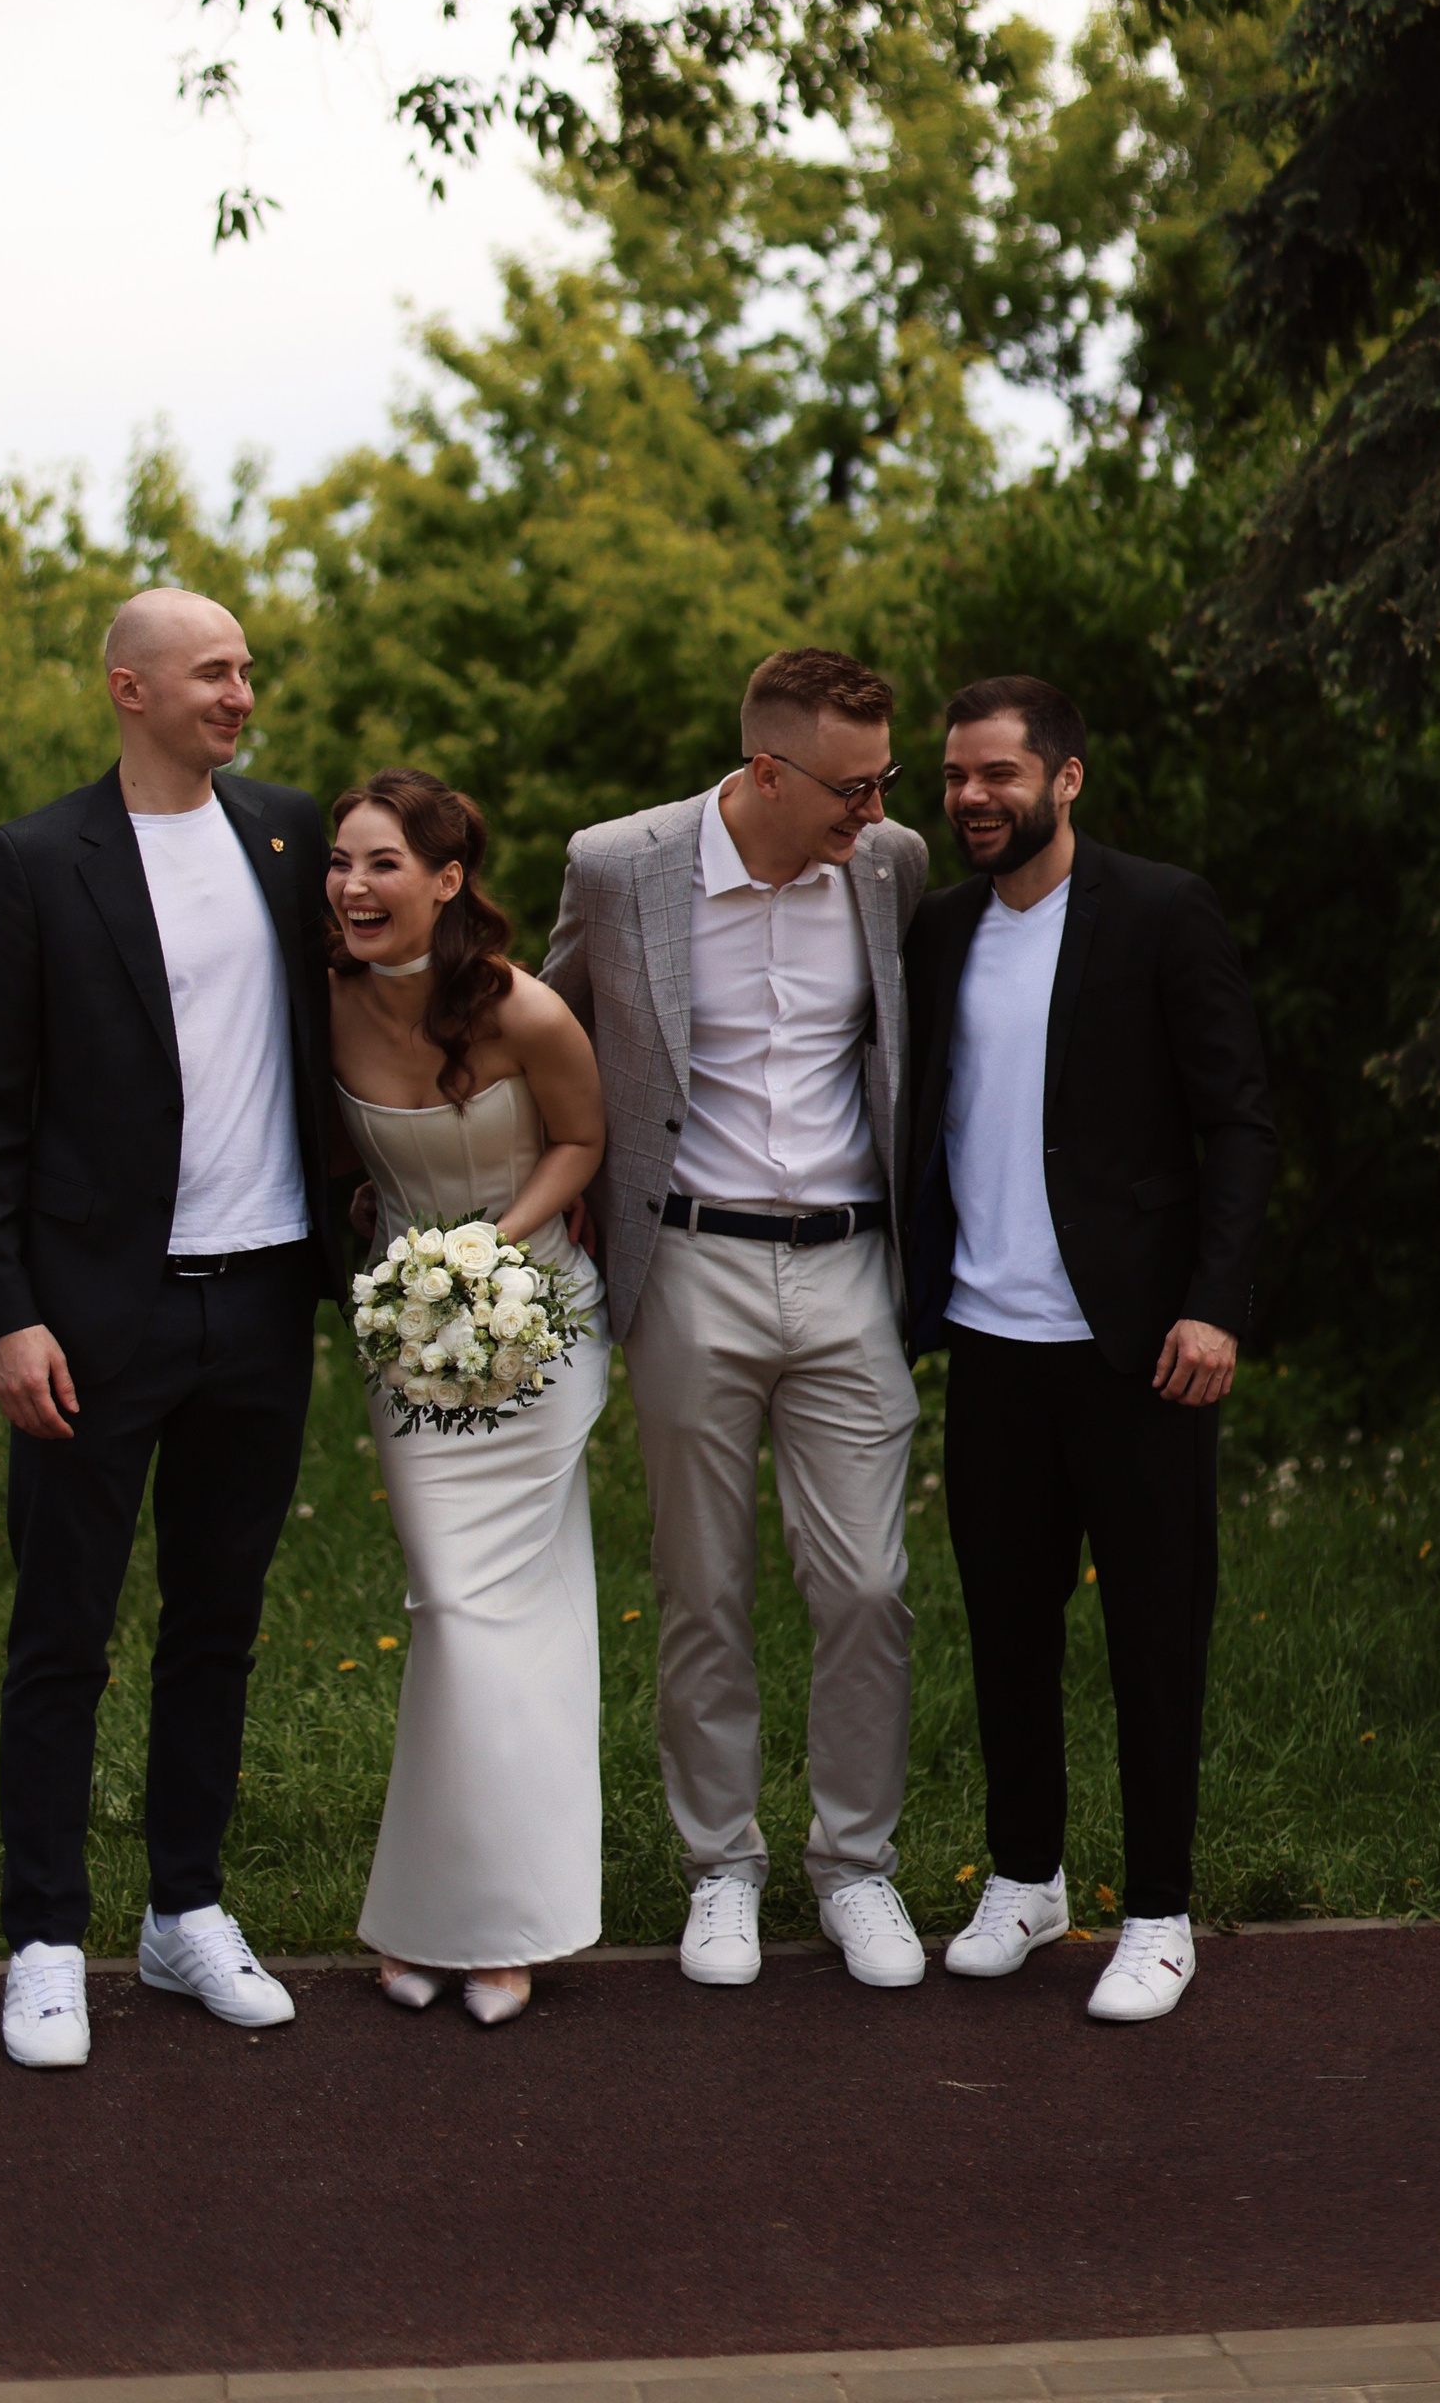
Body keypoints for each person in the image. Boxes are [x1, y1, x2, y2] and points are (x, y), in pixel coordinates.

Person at [0, 587, 343, 2070]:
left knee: (216, 1627)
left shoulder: (289, 836)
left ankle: (185, 1913)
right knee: (62, 1635)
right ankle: (45, 1941)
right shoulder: (37, 860)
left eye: (246, 671)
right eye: (213, 673)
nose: (242, 694)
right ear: (130, 688)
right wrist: (10, 1315)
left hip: (264, 1296)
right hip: (95, 1319)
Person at [542, 648, 929, 1991]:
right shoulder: (617, 867)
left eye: (885, 779)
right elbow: (549, 1035)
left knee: (867, 1585)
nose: (875, 808)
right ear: (766, 771)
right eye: (851, 785)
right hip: (689, 1262)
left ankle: (857, 1867)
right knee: (702, 1586)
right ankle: (721, 1867)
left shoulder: (890, 867)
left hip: (852, 1265)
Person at [904, 675, 1277, 2023]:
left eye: (998, 774)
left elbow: (1239, 1122)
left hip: (1138, 1350)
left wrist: (1214, 1303)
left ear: (1065, 779)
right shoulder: (940, 929)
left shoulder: (1163, 913)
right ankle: (1025, 1878)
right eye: (957, 776)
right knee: (1008, 1631)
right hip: (989, 1344)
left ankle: (1160, 1914)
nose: (972, 798)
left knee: (1154, 1638)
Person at [329, 769, 609, 2026]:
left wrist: (493, 1247)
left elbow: (582, 1142)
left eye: (382, 863)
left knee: (504, 1614)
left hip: (536, 1324)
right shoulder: (324, 1000)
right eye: (341, 862)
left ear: (447, 881)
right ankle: (441, 1916)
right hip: (408, 1338)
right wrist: (402, 1258)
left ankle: (504, 1934)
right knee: (451, 1608)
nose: (353, 886)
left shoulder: (524, 1009)